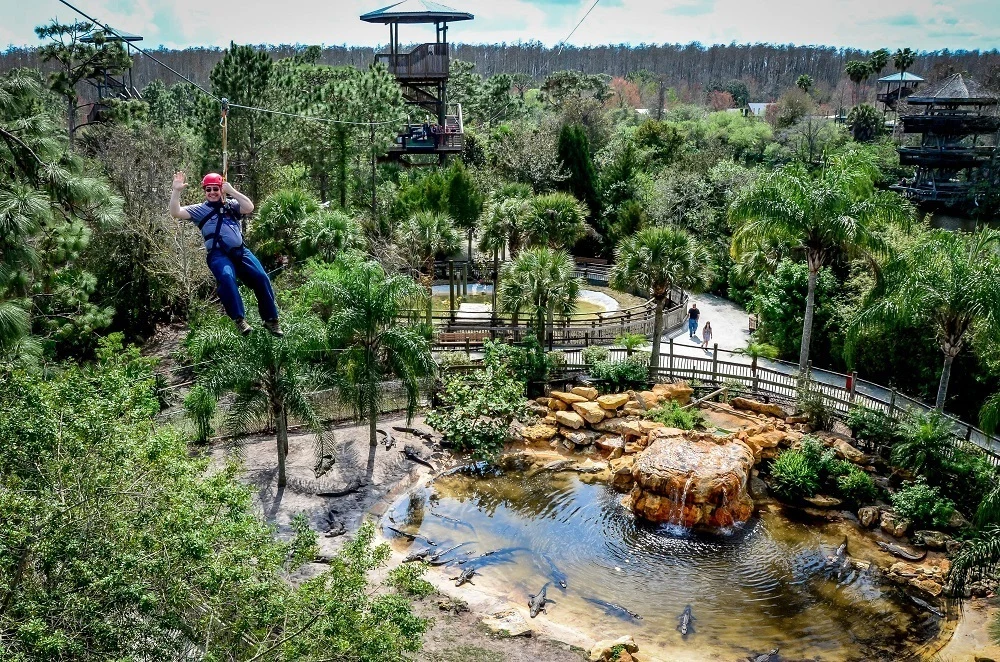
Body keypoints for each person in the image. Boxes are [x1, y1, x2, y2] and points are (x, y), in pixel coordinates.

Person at [169, 171, 283, 337]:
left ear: (221, 189)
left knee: (261, 277)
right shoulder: (200, 210)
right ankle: (239, 319)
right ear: (205, 192)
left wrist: (231, 191)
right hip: (218, 255)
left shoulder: (231, 205)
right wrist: (176, 191)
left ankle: (270, 319)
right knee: (227, 277)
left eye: (216, 188)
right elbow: (175, 212)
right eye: (208, 190)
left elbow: (249, 207)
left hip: (241, 252)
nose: (212, 192)